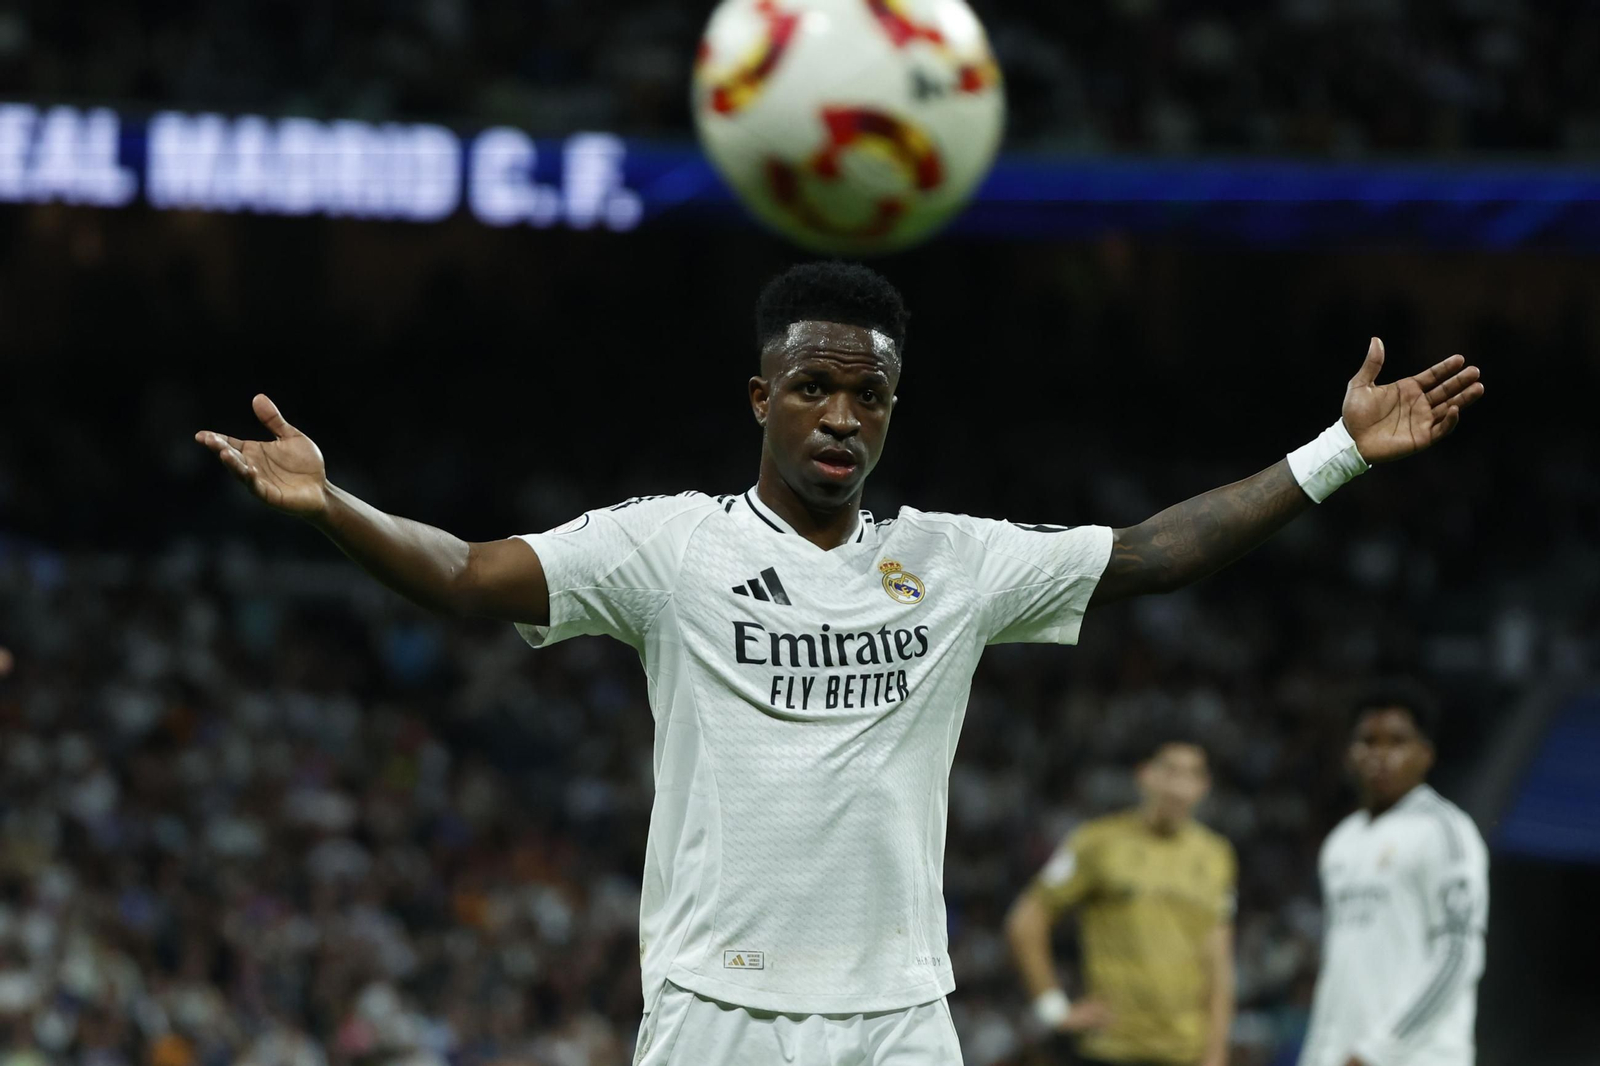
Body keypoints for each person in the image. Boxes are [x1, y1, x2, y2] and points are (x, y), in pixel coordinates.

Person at [196, 262, 1484, 1064]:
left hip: (899, 1016)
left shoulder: (957, 561)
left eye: (867, 396)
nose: (841, 415)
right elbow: (472, 573)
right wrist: (336, 507)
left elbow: (1152, 551)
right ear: (760, 397)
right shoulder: (668, 547)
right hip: (717, 1011)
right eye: (813, 386)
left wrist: (1339, 452)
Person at [1005, 734, 1235, 1066]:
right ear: (1145, 775)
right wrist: (1054, 1010)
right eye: (1169, 771)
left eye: (1191, 775)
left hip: (1187, 1052)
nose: (1178, 787)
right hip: (1110, 1050)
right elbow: (1026, 920)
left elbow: (1219, 961)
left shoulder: (1217, 856)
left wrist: (1216, 1053)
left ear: (1204, 786)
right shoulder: (1097, 843)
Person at [1298, 684, 1489, 1066]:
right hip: (1342, 1055)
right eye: (1368, 742)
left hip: (1418, 1057)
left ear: (1425, 754)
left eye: (1397, 742)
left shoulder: (1444, 830)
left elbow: (1458, 955)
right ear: (1349, 754)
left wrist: (1376, 1051)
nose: (1380, 755)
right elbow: (1340, 964)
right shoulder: (1341, 841)